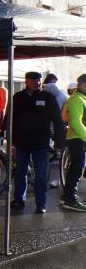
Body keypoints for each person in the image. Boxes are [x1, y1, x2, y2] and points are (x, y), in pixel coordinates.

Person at [11, 71, 65, 214]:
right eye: (34, 80)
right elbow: (10, 119)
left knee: (41, 175)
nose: (38, 82)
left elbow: (57, 121)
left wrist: (60, 142)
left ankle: (40, 204)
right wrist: (11, 140)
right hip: (21, 143)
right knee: (20, 172)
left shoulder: (48, 98)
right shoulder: (18, 98)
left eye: (40, 80)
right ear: (26, 81)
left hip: (40, 144)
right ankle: (18, 199)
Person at [60, 74, 86, 212]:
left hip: (78, 138)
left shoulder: (81, 98)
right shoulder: (76, 99)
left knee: (77, 168)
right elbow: (76, 122)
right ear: (82, 84)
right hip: (78, 139)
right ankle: (70, 199)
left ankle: (67, 196)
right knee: (76, 169)